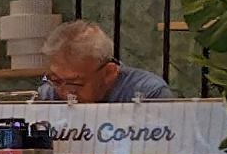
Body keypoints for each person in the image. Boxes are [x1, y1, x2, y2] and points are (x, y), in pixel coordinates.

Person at [35, 17, 171, 105]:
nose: (65, 93)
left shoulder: (149, 93)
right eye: (56, 80)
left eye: (75, 83)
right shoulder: (49, 95)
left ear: (109, 72)